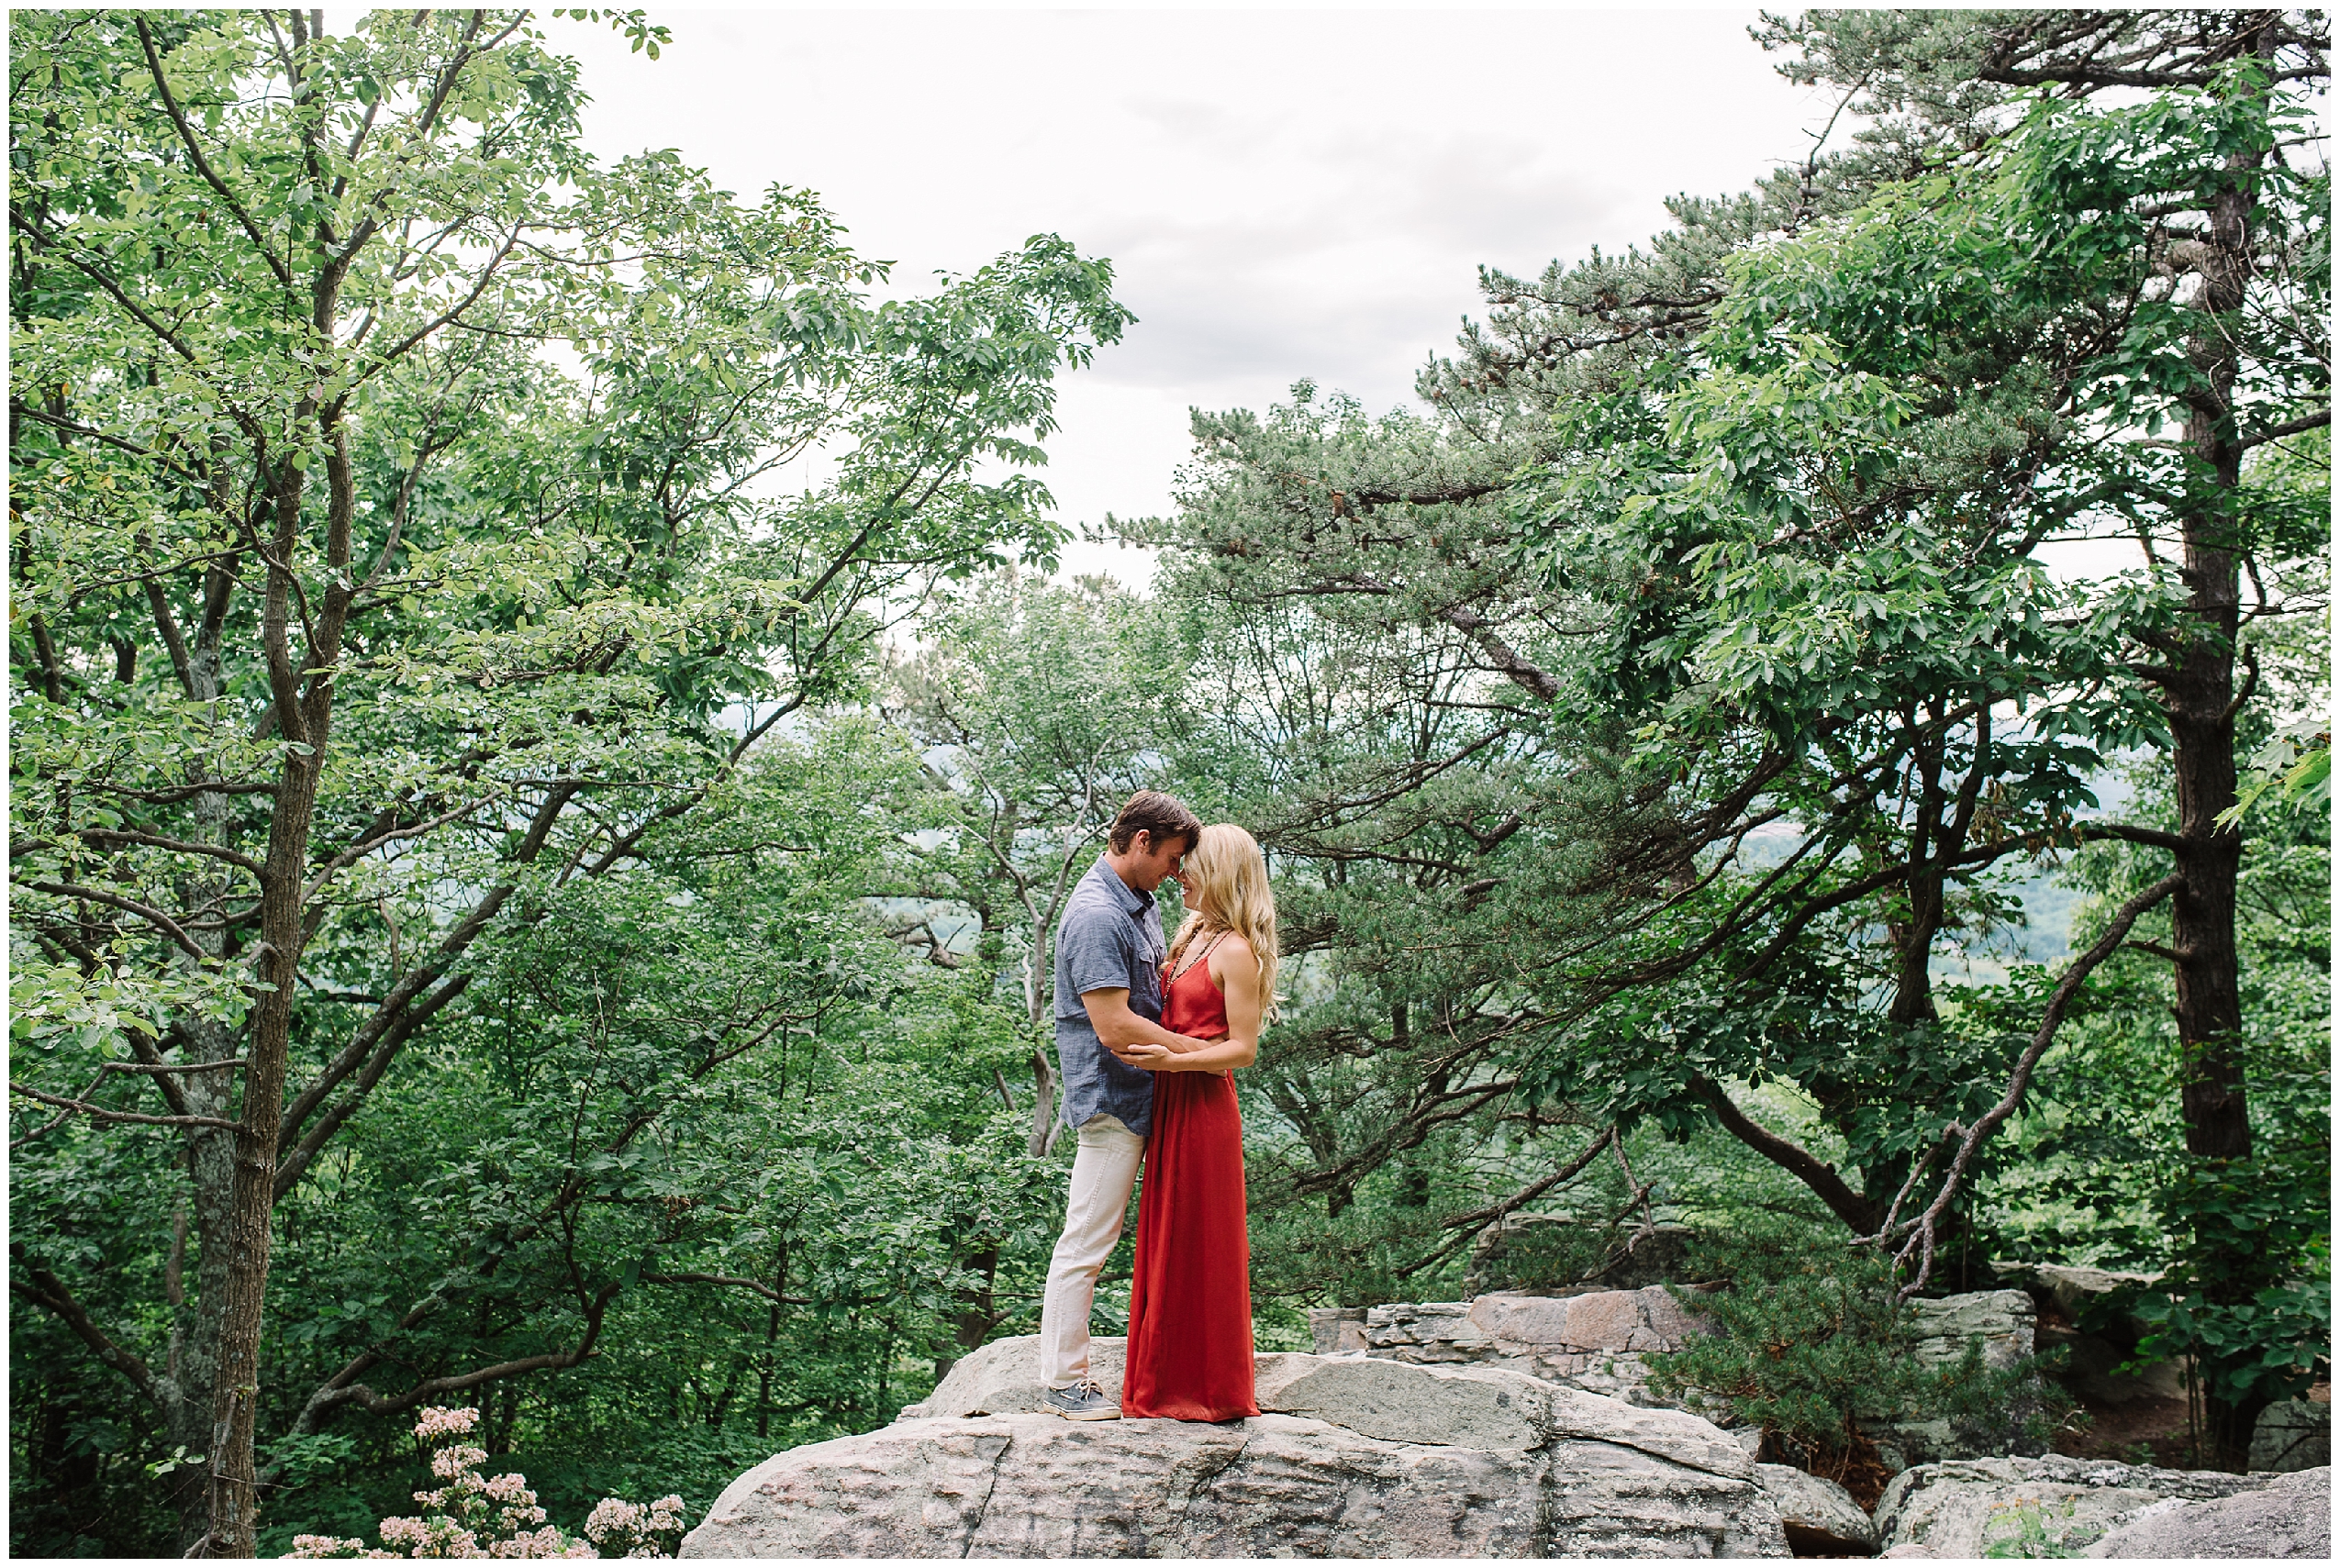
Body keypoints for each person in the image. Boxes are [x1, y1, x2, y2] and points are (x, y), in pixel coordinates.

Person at [1038, 790, 1212, 1420]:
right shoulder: (1095, 916)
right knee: (1086, 1238)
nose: (1175, 871)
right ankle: (1062, 1380)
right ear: (1141, 841)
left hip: (1150, 1095)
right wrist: (1204, 1052)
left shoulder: (1138, 902)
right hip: (1114, 1102)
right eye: (1170, 857)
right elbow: (1115, 1027)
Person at [1113, 822, 1278, 1422]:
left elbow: (1242, 1050)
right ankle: (1160, 1381)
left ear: (1222, 875)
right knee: (1166, 1240)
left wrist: (1173, 1056)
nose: (1180, 873)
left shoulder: (1236, 949)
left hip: (1205, 1111)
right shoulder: (1193, 934)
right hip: (1173, 1103)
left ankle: (1206, 1389)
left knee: (1198, 1246)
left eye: (1191, 866)